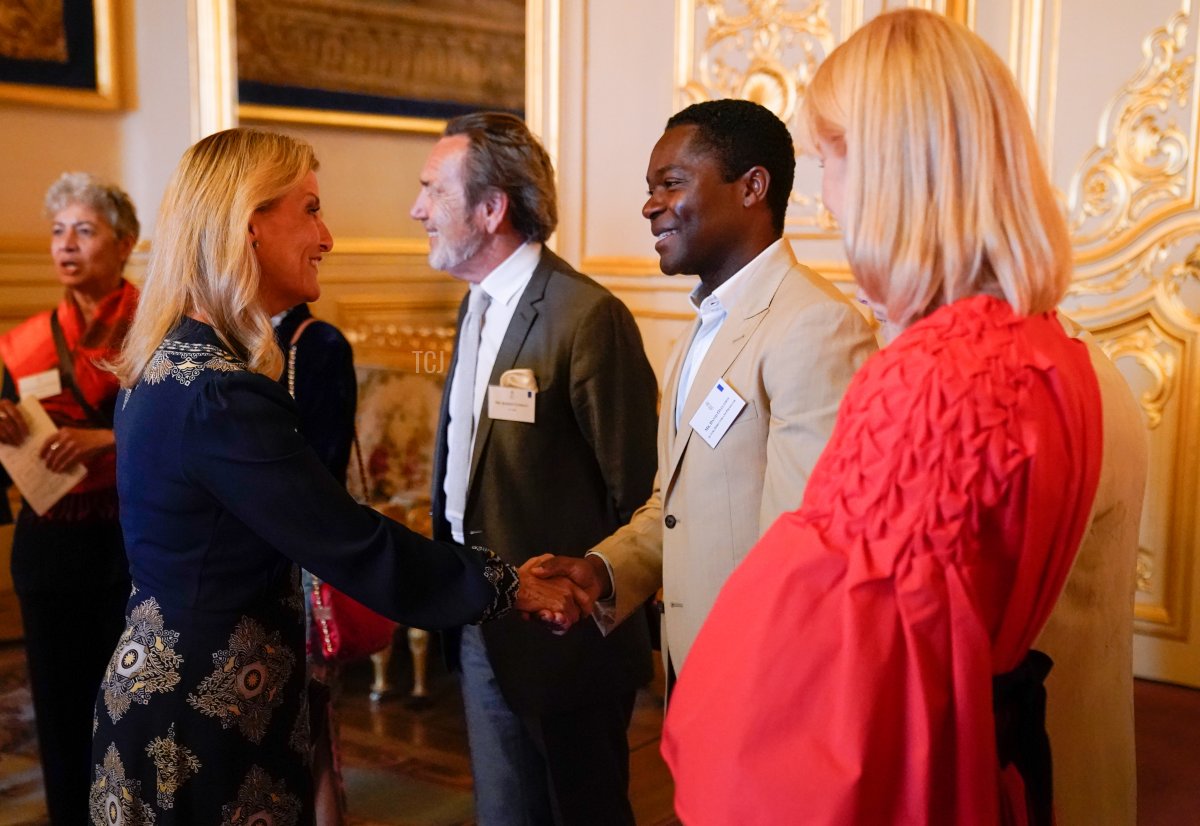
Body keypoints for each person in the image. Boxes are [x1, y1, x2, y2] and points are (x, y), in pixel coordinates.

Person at [661, 10, 1106, 825]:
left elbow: (825, 679)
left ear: (896, 167)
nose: (827, 203)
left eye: (832, 159)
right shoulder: (1054, 354)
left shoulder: (927, 378)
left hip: (911, 775)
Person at [90, 127, 582, 824]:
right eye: (311, 210)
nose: (327, 237)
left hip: (191, 690)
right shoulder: (216, 393)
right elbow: (348, 540)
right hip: (203, 718)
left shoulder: (175, 362)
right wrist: (507, 585)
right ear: (249, 226)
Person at [533, 99, 876, 686]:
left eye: (671, 183)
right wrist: (605, 569)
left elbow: (810, 551)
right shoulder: (704, 326)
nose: (649, 206)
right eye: (650, 187)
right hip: (693, 668)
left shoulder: (815, 326)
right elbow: (678, 503)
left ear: (752, 188)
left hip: (761, 676)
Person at [411, 112, 659, 825]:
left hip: (564, 638)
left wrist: (595, 611)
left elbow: (635, 493)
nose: (417, 209)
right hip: (479, 613)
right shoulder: (475, 306)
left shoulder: (585, 316)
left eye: (433, 190)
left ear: (492, 209)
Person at [0, 172, 139, 825]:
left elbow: (183, 430)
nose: (67, 244)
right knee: (58, 712)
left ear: (126, 243)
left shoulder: (157, 324)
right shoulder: (23, 340)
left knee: (132, 704)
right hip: (51, 549)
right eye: (58, 231)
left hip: (132, 545)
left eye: (85, 230)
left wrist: (104, 440)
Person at [1035, 318, 1147, 826]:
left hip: (1045, 751)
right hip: (1076, 738)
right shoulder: (1074, 358)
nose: (864, 289)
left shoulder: (1039, 384)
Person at [273, 302, 358, 824]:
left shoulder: (319, 344)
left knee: (314, 722)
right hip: (250, 569)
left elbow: (327, 473)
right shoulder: (228, 336)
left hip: (302, 560)